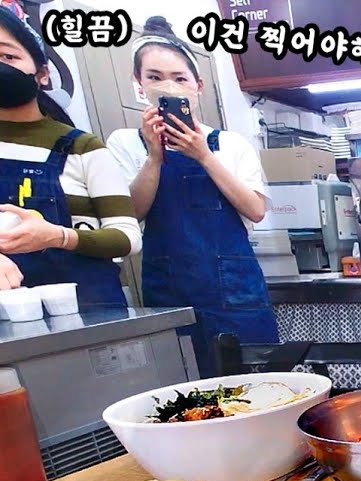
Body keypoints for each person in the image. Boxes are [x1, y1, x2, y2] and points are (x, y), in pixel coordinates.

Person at [105, 17, 277, 378]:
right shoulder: (126, 143)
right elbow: (131, 213)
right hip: (168, 291)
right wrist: (154, 157)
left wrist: (203, 156)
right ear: (139, 84)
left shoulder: (229, 144)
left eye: (179, 78)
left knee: (256, 385)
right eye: (155, 77)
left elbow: (255, 209)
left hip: (235, 294)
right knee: (181, 389)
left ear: (197, 86)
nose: (168, 86)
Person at [0, 0, 139, 305]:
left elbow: (127, 237)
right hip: (5, 307)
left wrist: (58, 236)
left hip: (93, 303)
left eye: (7, 55)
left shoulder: (82, 147)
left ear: (42, 73)